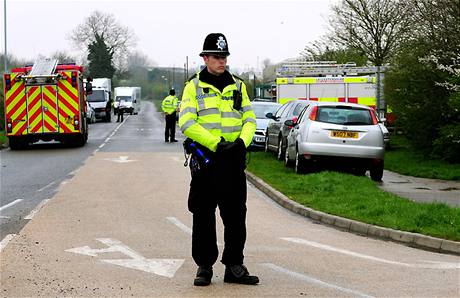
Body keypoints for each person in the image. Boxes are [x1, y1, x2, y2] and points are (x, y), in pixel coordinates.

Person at [179, 33, 258, 286]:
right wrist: (215, 144)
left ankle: (234, 266)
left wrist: (241, 143)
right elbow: (187, 123)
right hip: (207, 161)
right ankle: (204, 266)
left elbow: (249, 119)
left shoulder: (238, 85)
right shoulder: (193, 87)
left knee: (236, 215)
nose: (221, 61)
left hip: (232, 160)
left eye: (224, 56)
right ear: (205, 58)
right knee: (203, 215)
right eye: (216, 57)